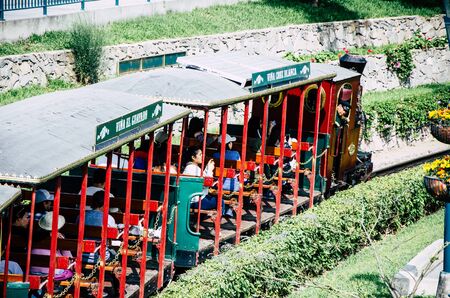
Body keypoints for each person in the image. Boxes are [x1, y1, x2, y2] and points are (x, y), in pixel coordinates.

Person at [183, 147, 233, 217]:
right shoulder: (195, 169)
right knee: (220, 201)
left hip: (189, 200)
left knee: (211, 198)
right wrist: (210, 169)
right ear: (193, 157)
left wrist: (207, 168)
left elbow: (202, 179)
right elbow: (207, 183)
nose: (202, 156)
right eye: (200, 154)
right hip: (196, 201)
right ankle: (221, 219)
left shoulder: (188, 168)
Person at [30, 212, 73, 281]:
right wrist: (63, 242)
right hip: (52, 273)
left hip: (33, 271)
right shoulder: (58, 239)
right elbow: (69, 261)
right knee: (69, 272)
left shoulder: (35, 237)